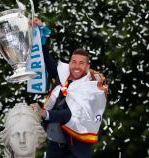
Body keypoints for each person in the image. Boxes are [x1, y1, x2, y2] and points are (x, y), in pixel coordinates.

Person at [30, 18, 107, 158]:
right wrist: (40, 32)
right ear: (69, 62)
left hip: (76, 150)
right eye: (74, 62)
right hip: (54, 146)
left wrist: (45, 113)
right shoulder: (64, 75)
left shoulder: (92, 87)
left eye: (81, 63)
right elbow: (46, 59)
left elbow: (69, 114)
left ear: (87, 67)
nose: (76, 67)